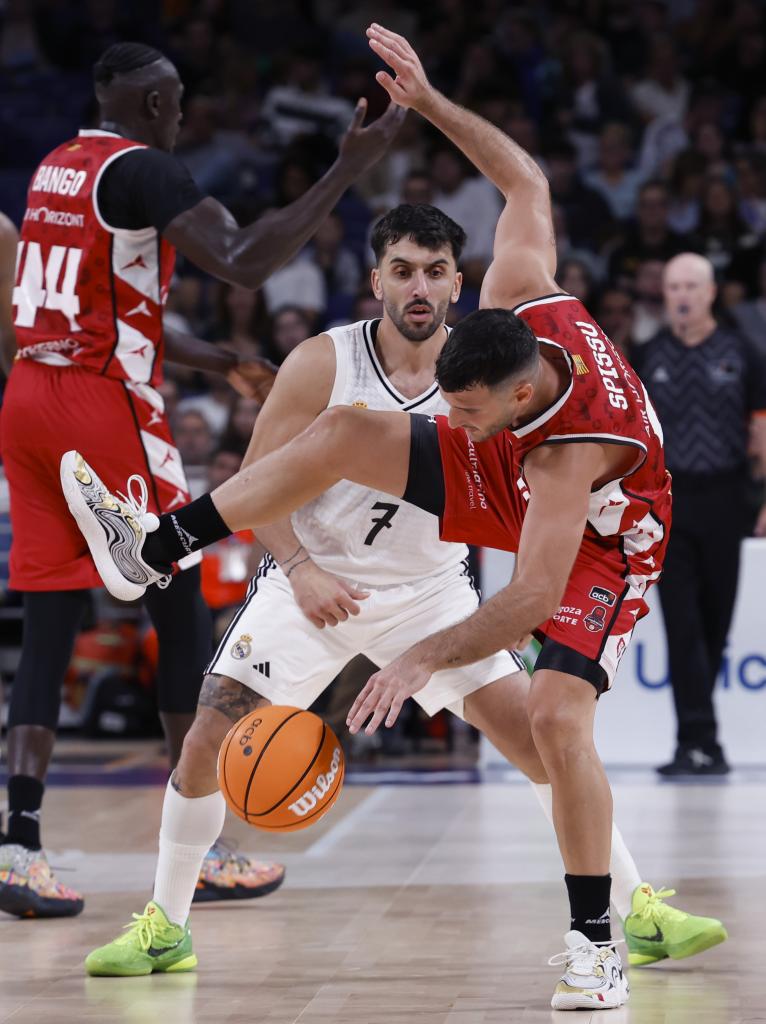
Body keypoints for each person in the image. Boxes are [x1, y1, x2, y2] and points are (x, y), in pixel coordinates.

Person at [64, 116, 727, 1017]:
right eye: (401, 270)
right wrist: (427, 95)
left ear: (459, 288)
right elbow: (525, 181)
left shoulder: (560, 451)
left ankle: (616, 922)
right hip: (317, 585)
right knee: (209, 733)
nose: (419, 285)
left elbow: (534, 592)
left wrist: (422, 657)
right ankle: (154, 553)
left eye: (434, 270)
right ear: (376, 280)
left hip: (502, 568)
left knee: (551, 728)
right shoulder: (445, 326)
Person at [0, 40, 403, 919]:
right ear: (150, 107)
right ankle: (205, 841)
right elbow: (247, 259)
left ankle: (18, 846)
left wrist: (222, 361)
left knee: (50, 619)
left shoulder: (57, 166)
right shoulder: (144, 171)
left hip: (29, 397)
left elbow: (111, 310)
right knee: (176, 608)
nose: (182, 118)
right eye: (176, 103)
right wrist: (346, 167)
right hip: (101, 409)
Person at [632, 252, 766, 776]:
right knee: (681, 623)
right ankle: (697, 739)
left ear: (711, 293)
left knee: (715, 622)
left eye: (691, 285)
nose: (682, 295)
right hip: (668, 503)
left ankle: (700, 737)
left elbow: (761, 429)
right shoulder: (647, 353)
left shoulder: (742, 353)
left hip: (727, 497)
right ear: (663, 294)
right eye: (672, 287)